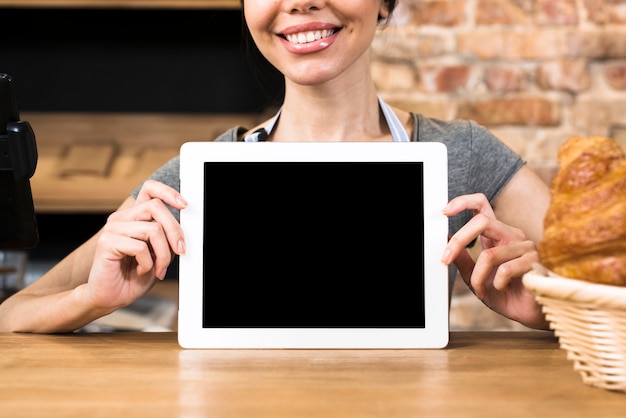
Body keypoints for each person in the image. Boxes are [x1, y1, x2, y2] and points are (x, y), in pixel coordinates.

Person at [0, 0, 551, 333]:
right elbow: (13, 314)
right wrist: (90, 300)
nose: (300, 0)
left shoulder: (463, 155)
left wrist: (548, 311)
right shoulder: (200, 177)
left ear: (385, 4)